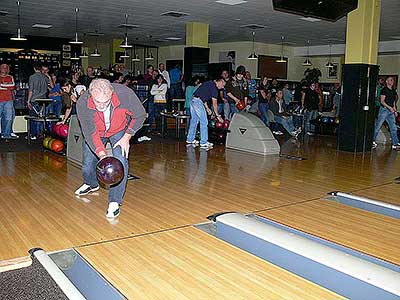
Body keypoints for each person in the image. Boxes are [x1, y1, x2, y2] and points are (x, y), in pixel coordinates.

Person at [75, 78, 146, 218]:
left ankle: (115, 201)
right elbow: (90, 133)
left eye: (105, 102)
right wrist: (102, 154)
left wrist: (127, 136)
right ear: (90, 95)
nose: (101, 106)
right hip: (97, 132)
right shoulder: (82, 103)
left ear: (112, 94)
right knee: (88, 162)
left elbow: (140, 115)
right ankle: (91, 183)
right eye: (98, 102)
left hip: (119, 131)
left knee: (121, 160)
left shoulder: (125, 94)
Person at [186, 77, 226, 150]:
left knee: (194, 121)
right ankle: (203, 142)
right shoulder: (214, 89)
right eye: (223, 85)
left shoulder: (208, 83)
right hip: (198, 102)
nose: (223, 87)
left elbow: (202, 96)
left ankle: (190, 139)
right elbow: (214, 104)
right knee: (204, 121)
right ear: (220, 81)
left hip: (193, 100)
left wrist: (207, 108)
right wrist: (218, 116)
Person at [372, 76, 400, 150]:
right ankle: (372, 141)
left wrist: (395, 110)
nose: (392, 81)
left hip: (390, 112)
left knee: (393, 128)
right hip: (384, 110)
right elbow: (382, 101)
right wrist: (389, 108)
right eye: (390, 80)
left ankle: (395, 143)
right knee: (378, 126)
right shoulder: (384, 90)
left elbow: (393, 102)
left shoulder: (393, 91)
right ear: (387, 82)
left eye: (393, 80)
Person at [27, 62, 48, 140]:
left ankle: (33, 134)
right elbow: (49, 87)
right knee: (42, 118)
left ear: (34, 68)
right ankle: (41, 133)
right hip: (44, 101)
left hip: (34, 100)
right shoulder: (45, 77)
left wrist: (28, 101)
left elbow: (31, 90)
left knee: (33, 118)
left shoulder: (32, 77)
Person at [0, 64, 17, 139]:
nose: (5, 68)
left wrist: (3, 86)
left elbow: (13, 86)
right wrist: (7, 85)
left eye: (6, 67)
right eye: (3, 67)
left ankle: (6, 135)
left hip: (8, 100)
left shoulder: (10, 77)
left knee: (8, 118)